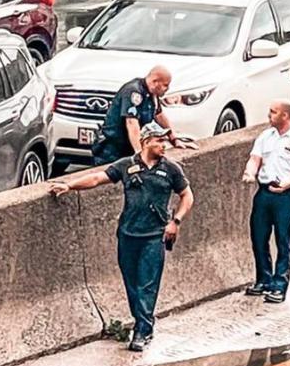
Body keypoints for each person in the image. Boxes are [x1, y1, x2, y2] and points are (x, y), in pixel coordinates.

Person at [50, 122, 194, 351]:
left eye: (165, 141)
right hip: (128, 234)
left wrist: (175, 221)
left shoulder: (171, 169)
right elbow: (97, 178)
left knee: (148, 283)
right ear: (146, 142)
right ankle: (143, 321)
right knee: (131, 283)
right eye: (159, 141)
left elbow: (187, 196)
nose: (163, 145)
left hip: (154, 235)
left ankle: (142, 330)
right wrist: (69, 185)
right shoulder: (127, 166)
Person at [241, 100, 290, 304]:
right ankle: (263, 279)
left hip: (285, 195)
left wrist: (286, 184)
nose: (269, 115)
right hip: (264, 192)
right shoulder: (266, 136)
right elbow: (255, 158)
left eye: (273, 112)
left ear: (285, 116)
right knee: (259, 237)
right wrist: (250, 172)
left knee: (283, 240)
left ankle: (279, 285)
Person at [92, 66, 178, 167]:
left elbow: (159, 116)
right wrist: (140, 153)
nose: (167, 89)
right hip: (112, 149)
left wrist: (174, 139)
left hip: (128, 147)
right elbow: (132, 123)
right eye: (165, 85)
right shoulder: (134, 91)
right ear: (155, 82)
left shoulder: (152, 94)